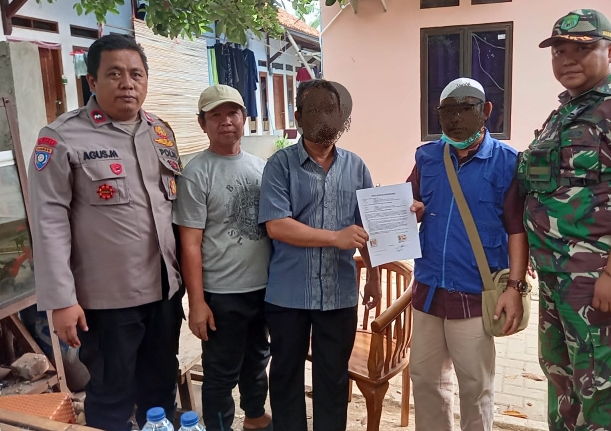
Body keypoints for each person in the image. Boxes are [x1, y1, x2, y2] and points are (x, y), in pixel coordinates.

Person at [518, 9, 611, 430]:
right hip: (556, 276)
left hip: (598, 278)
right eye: (559, 51)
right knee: (562, 380)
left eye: (582, 49)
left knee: (601, 390)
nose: (567, 59)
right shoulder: (564, 114)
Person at [28, 34, 184, 431]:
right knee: (113, 395)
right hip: (107, 302)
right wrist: (61, 300)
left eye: (136, 74)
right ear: (92, 81)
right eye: (114, 74)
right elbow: (48, 221)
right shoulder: (62, 138)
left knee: (160, 390)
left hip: (164, 293)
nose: (127, 83)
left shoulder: (160, 132)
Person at [406, 78, 529, 431]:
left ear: (486, 110)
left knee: (475, 389)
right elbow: (409, 203)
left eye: (466, 109)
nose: (456, 118)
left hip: (475, 293)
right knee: (425, 381)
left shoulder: (507, 162)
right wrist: (408, 211)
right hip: (428, 290)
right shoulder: (427, 157)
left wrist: (514, 287)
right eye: (448, 111)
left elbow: (517, 230)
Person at [258, 79, 381, 431]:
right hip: (289, 293)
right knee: (285, 375)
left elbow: (366, 227)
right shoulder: (280, 165)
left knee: (333, 378)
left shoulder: (356, 167)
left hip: (339, 293)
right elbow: (277, 226)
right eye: (314, 110)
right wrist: (335, 238)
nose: (324, 118)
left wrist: (373, 278)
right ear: (298, 116)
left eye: (331, 110)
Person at [174, 84, 272, 431]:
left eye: (232, 113)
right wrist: (197, 302)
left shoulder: (261, 168)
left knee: (257, 360)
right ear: (202, 123)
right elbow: (189, 244)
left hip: (263, 288)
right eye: (215, 115)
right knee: (221, 371)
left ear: (245, 118)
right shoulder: (196, 173)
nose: (226, 121)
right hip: (222, 293)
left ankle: (256, 418)